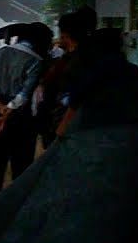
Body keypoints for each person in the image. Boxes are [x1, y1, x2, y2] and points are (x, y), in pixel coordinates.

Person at [0, 22, 50, 219]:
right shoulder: (36, 60)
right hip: (22, 120)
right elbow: (24, 94)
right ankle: (15, 213)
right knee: (21, 167)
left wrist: (0, 106)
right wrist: (9, 110)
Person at [56, 28, 138, 136]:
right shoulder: (133, 70)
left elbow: (76, 101)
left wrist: (61, 131)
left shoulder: (90, 69)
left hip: (93, 131)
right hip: (128, 132)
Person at [34, 10, 95, 148]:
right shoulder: (89, 57)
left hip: (66, 130)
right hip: (80, 129)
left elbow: (74, 99)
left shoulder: (74, 62)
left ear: (65, 34)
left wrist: (60, 130)